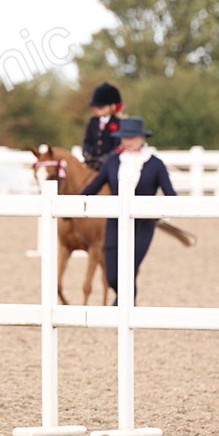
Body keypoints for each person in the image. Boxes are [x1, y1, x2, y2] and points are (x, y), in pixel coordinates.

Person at [80, 117, 176, 304]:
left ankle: (123, 310)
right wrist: (74, 202)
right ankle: (127, 301)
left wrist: (161, 211)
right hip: (115, 222)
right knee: (112, 276)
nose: (128, 141)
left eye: (132, 137)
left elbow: (170, 193)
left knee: (128, 270)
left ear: (142, 137)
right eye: (125, 137)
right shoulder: (113, 161)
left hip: (143, 225)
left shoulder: (155, 164)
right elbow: (95, 185)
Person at [82, 82, 124, 171]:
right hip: (92, 163)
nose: (97, 110)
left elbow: (117, 145)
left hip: (111, 164)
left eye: (101, 107)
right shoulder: (92, 122)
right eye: (96, 107)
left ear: (112, 106)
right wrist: (88, 155)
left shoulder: (118, 123)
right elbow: (87, 141)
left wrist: (105, 159)